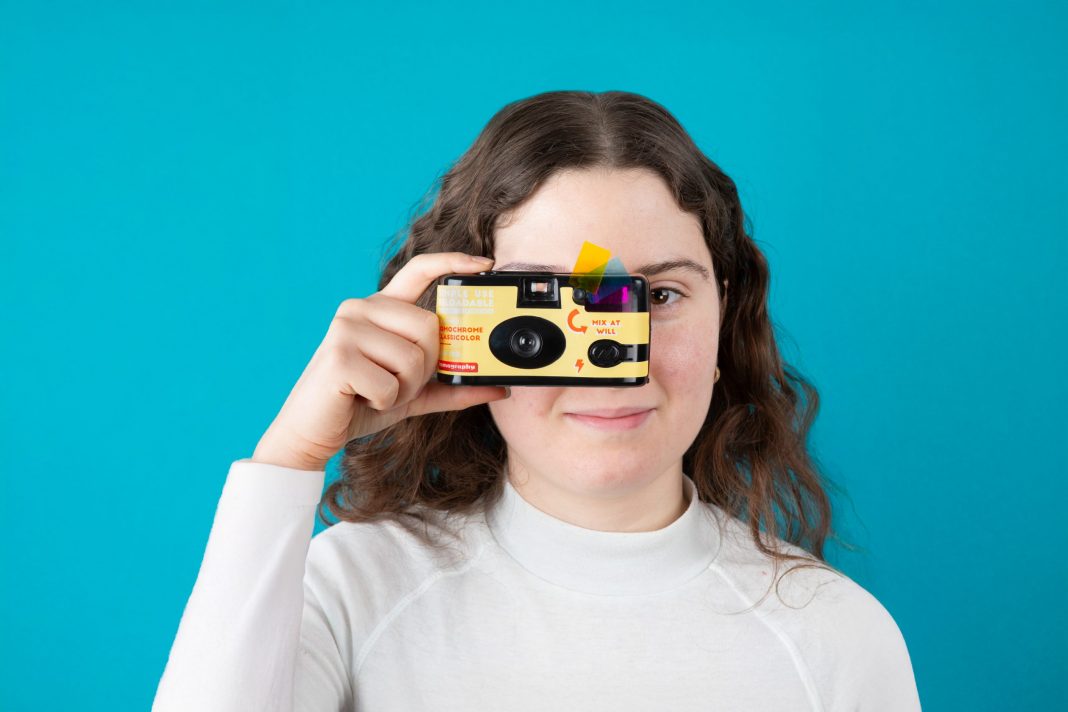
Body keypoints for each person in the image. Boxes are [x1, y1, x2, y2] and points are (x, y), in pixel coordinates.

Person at [152, 90, 921, 711]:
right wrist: (290, 459)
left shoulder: (835, 636)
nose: (616, 359)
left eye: (657, 294)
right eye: (548, 304)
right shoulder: (352, 591)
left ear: (726, 314)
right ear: (459, 319)